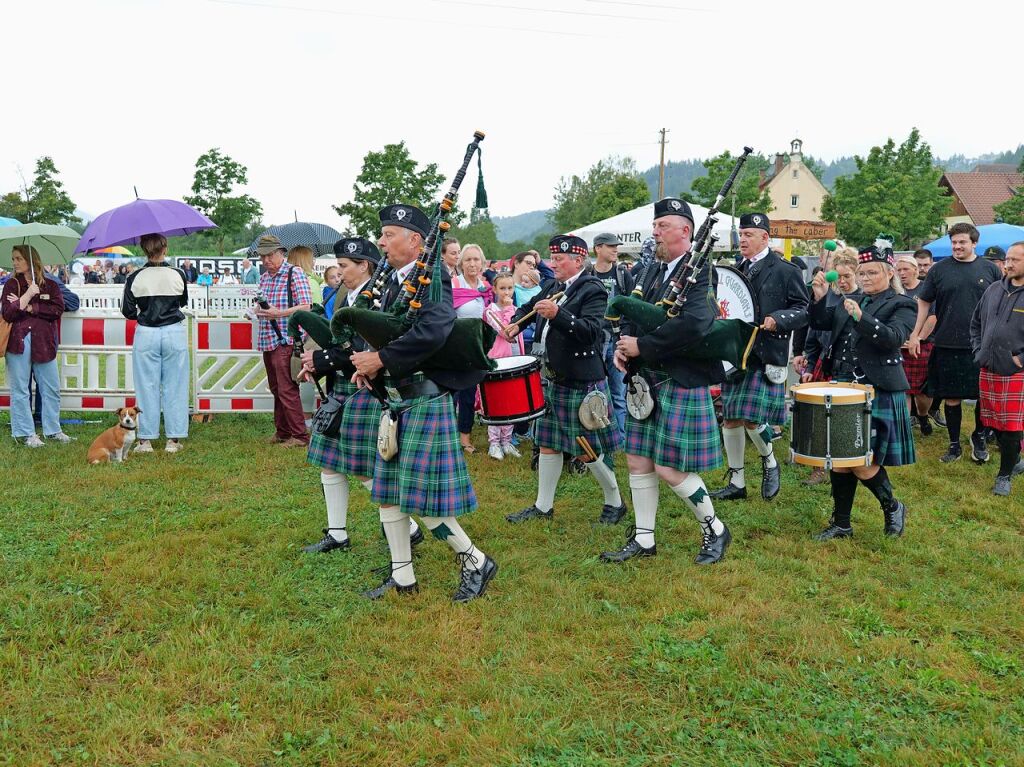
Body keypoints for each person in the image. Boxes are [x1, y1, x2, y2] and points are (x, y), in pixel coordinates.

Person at [350, 203, 497, 602]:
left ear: (415, 241)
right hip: (397, 397)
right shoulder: (396, 280)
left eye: (388, 235)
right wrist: (370, 366)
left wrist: (381, 359)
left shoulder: (431, 278)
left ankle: (475, 561)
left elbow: (433, 330)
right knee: (388, 494)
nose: (380, 242)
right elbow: (388, 330)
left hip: (423, 397)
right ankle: (402, 578)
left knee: (420, 499)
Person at [600, 198, 731, 564]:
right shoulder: (653, 269)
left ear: (685, 231)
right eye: (654, 225)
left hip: (680, 378)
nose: (654, 231)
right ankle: (644, 539)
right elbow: (634, 308)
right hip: (648, 379)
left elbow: (695, 324)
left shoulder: (701, 271)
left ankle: (715, 529)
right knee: (638, 460)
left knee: (670, 468)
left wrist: (643, 345)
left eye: (662, 225)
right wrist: (623, 346)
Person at [299, 238, 422, 551]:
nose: (338, 272)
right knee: (331, 461)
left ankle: (408, 527)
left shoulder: (380, 299)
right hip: (342, 386)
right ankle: (337, 533)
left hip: (366, 388)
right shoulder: (346, 295)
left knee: (363, 465)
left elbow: (365, 350)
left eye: (344, 266)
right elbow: (337, 341)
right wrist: (318, 364)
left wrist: (323, 360)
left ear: (364, 265)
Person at [503, 234, 626, 526]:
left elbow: (590, 331)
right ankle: (543, 506)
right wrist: (515, 324)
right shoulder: (552, 285)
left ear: (578, 260)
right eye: (552, 258)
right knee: (548, 443)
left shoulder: (592, 289)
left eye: (559, 259)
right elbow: (529, 308)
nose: (552, 264)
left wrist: (559, 314)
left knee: (587, 448)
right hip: (553, 378)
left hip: (582, 380)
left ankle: (615, 501)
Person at [808, 245, 916, 540]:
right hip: (844, 386)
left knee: (863, 463)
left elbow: (893, 337)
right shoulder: (854, 299)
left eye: (872, 273)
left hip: (878, 386)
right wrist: (818, 299)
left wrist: (861, 317)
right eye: (862, 273)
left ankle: (893, 506)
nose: (865, 278)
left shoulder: (902, 304)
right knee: (840, 459)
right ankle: (841, 523)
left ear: (889, 273)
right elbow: (819, 323)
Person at [711, 213, 809, 503]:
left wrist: (778, 318)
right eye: (741, 234)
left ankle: (770, 462)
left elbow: (803, 309)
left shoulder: (785, 270)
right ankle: (737, 482)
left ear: (765, 238)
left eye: (749, 235)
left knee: (753, 420)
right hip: (734, 353)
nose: (742, 239)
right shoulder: (734, 271)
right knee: (730, 419)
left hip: (765, 352)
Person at [909, 223, 1003, 464]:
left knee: (983, 396)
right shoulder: (939, 270)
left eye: (962, 242)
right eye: (954, 242)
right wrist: (915, 334)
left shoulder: (990, 269)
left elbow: (1000, 306)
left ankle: (979, 437)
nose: (957, 246)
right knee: (951, 397)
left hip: (981, 344)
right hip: (947, 342)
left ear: (974, 243)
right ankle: (953, 445)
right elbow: (924, 303)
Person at [792, 247, 860, 485]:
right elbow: (813, 329)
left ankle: (849, 460)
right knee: (820, 416)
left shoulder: (864, 299)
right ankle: (819, 467)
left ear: (857, 274)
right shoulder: (828, 295)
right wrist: (808, 361)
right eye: (838, 276)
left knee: (845, 419)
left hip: (853, 368)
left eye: (847, 277)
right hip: (825, 360)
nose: (841, 281)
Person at [120, 234, 190, 453]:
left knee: (146, 386)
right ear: (165, 248)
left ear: (143, 250)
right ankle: (173, 440)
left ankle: (145, 440)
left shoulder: (134, 276)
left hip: (147, 332)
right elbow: (183, 300)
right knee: (175, 386)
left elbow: (128, 311)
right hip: (173, 331)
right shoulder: (178, 273)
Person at [970, 241, 1024, 496]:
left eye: (1015, 260)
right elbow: (976, 322)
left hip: (1016, 371)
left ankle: (1004, 475)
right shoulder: (993, 289)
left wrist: (1021, 360)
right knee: (995, 423)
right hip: (988, 367)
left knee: (1012, 426)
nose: (1008, 264)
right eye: (1008, 259)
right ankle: (1014, 461)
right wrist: (978, 350)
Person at [2, 246, 69, 446]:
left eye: (19, 258)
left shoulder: (50, 284)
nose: (15, 262)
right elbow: (8, 313)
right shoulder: (11, 285)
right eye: (13, 258)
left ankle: (53, 430)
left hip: (44, 341)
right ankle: (24, 433)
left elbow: (58, 309)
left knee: (50, 386)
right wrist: (27, 295)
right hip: (18, 341)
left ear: (32, 260)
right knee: (20, 388)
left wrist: (30, 307)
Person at [254, 234, 313, 447]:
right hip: (268, 337)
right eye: (262, 257)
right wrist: (257, 310)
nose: (266, 260)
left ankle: (299, 435)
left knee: (286, 388)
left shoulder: (294, 273)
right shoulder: (264, 278)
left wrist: (279, 314)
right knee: (276, 388)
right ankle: (283, 431)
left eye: (270, 255)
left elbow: (307, 306)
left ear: (281, 253)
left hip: (286, 339)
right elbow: (263, 304)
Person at [591, 232, 634, 442]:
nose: (615, 249)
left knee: (618, 392)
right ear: (598, 248)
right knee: (595, 392)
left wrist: (626, 333)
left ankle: (621, 439)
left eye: (616, 246)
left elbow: (633, 305)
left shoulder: (622, 273)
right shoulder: (587, 273)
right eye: (610, 246)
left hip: (617, 339)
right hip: (595, 340)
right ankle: (598, 436)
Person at [451, 244, 492, 452]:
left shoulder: (485, 287)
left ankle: (465, 437)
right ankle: (448, 435)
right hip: (455, 347)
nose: (472, 263)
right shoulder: (453, 284)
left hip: (477, 347)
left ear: (483, 263)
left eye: (476, 259)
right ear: (461, 263)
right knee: (453, 393)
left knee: (469, 393)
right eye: (468, 260)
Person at [482, 271, 524, 460]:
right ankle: (494, 443)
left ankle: (507, 441)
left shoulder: (516, 309)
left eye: (510, 288)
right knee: (495, 402)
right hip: (497, 360)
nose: (507, 292)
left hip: (513, 360)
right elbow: (505, 332)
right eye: (503, 288)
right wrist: (508, 310)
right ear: (495, 290)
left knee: (510, 401)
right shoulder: (490, 311)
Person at [895, 253, 936, 435]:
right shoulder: (895, 291)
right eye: (899, 270)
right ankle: (905, 427)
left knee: (922, 392)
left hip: (922, 345)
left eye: (905, 269)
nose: (902, 273)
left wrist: (917, 338)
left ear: (915, 269)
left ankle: (923, 416)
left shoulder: (925, 289)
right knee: (903, 388)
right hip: (898, 347)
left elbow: (933, 317)